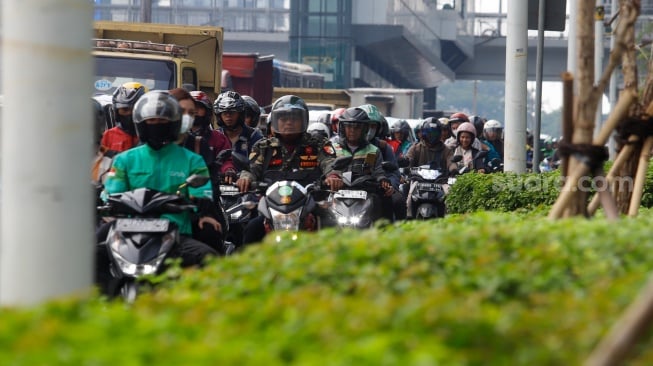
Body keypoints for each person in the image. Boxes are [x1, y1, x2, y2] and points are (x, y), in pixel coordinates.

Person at [96, 90, 220, 293]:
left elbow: (203, 193)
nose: (156, 126)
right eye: (151, 122)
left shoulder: (193, 160)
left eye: (162, 121)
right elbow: (111, 193)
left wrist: (196, 201)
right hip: (126, 231)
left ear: (173, 123)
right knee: (87, 255)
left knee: (209, 260)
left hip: (174, 234)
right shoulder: (124, 160)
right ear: (141, 124)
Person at [236, 95, 341, 245]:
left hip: (310, 205)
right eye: (284, 119)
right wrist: (245, 179)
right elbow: (251, 169)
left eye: (294, 118)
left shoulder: (318, 143)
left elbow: (330, 163)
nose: (289, 123)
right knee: (251, 229)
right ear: (275, 121)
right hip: (272, 207)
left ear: (303, 120)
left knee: (334, 229)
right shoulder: (263, 146)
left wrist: (333, 177)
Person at [331, 107, 394, 222]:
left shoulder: (372, 151)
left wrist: (383, 181)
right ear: (342, 128)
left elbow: (376, 171)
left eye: (357, 127)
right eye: (349, 126)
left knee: (386, 201)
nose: (352, 130)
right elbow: (326, 168)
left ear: (365, 129)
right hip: (335, 193)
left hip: (365, 194)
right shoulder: (333, 148)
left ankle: (385, 234)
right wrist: (330, 178)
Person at [358, 104, 406, 221]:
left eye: (373, 126)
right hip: (352, 189)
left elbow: (395, 172)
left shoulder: (383, 147)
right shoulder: (343, 146)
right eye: (366, 125)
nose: (369, 130)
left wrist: (389, 186)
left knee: (397, 201)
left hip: (377, 188)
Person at [404, 118, 454, 218]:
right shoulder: (416, 147)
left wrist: (453, 169)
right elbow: (408, 160)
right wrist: (405, 165)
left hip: (441, 182)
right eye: (429, 133)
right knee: (409, 197)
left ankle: (449, 220)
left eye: (435, 133)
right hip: (418, 181)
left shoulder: (446, 150)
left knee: (450, 196)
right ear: (423, 133)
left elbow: (451, 162)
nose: (431, 136)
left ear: (439, 134)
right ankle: (408, 218)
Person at [214, 91, 263, 160]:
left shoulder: (255, 137)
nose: (228, 116)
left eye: (232, 112)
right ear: (219, 116)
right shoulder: (215, 137)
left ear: (240, 114)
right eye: (224, 113)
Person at [99, 82, 147, 153]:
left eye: (135, 109)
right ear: (116, 112)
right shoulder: (108, 136)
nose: (130, 114)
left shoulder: (153, 136)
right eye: (125, 110)